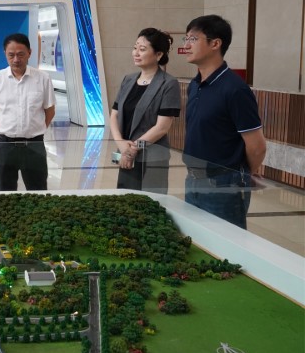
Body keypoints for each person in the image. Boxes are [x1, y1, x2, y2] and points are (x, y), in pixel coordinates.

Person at [183, 14, 266, 229]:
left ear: (215, 44)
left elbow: (257, 146)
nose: (186, 45)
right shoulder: (194, 85)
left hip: (224, 186)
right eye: (186, 39)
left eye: (193, 39)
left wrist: (241, 175)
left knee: (225, 244)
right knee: (196, 241)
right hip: (192, 180)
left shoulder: (235, 89)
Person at [110, 28, 181, 194]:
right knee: (125, 198)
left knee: (150, 201)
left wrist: (133, 149)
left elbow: (162, 127)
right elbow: (114, 115)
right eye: (135, 48)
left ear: (158, 55)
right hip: (125, 152)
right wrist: (121, 143)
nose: (136, 53)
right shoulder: (128, 79)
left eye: (142, 49)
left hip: (152, 155)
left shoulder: (169, 83)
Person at [0, 33, 55, 191]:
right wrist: (1, 129)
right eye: (11, 55)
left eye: (21, 54)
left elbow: (50, 110)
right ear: (5, 54)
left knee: (38, 192)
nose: (16, 59)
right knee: (4, 193)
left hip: (34, 145)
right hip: (4, 146)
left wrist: (36, 129)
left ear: (29, 53)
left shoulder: (43, 78)